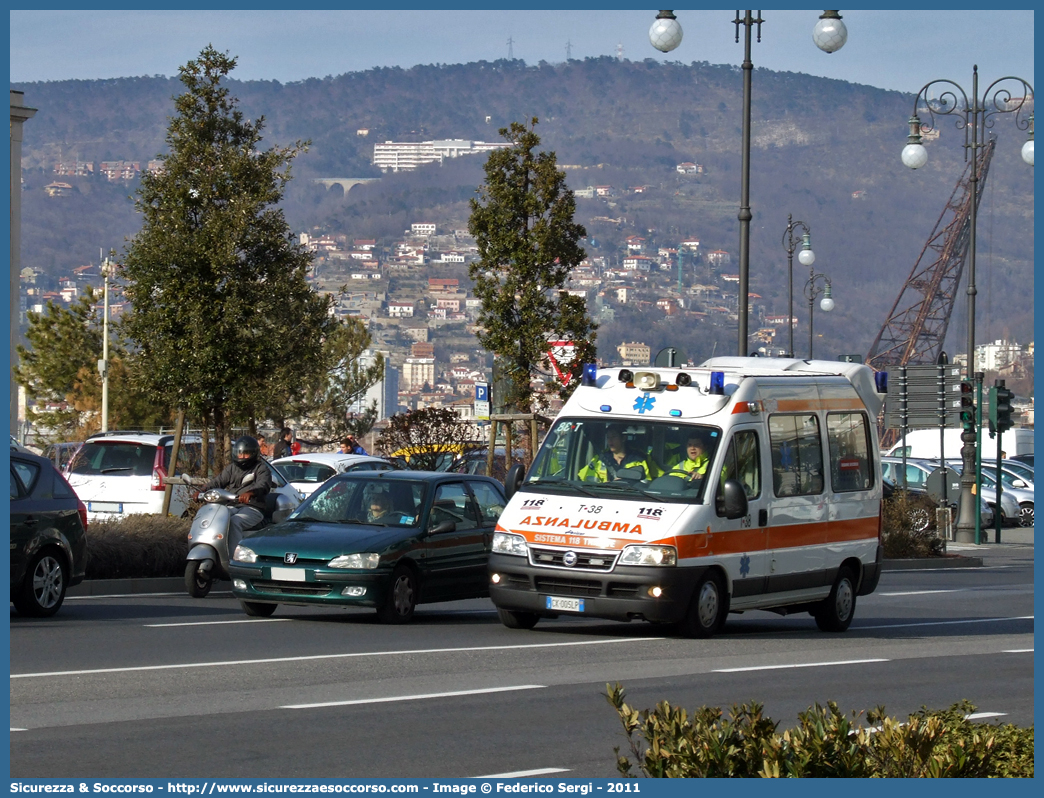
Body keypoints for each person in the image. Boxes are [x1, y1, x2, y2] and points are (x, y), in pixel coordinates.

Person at [198, 436, 273, 557]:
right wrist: (203, 489)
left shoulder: (261, 468)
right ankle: (216, 550)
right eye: (240, 453)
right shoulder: (232, 468)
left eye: (246, 454)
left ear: (254, 454)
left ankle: (234, 558)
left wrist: (251, 493)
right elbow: (218, 481)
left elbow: (263, 485)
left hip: (253, 508)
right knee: (216, 517)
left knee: (234, 522)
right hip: (232, 505)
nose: (242, 457)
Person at [577, 425, 653, 482]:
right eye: (608, 437)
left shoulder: (638, 459)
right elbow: (586, 481)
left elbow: (645, 484)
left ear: (623, 438)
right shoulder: (599, 459)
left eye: (614, 437)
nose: (610, 441)